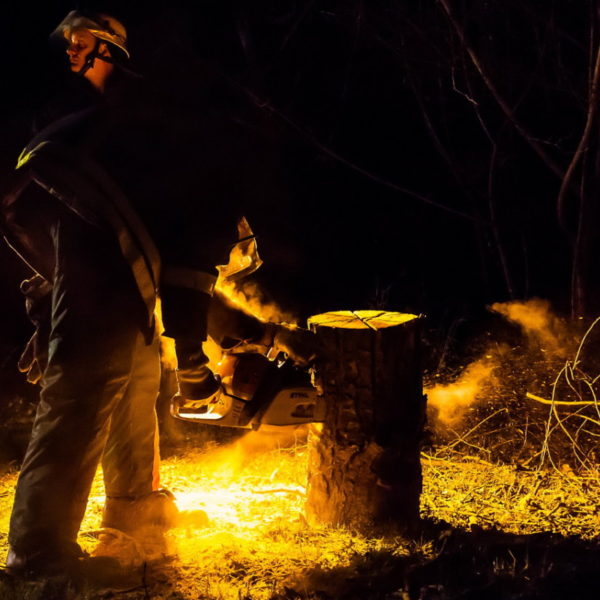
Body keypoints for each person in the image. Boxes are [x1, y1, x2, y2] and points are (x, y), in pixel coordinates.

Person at [2, 10, 316, 577]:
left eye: (81, 42)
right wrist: (197, 361)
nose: (71, 52)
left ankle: (134, 509)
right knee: (83, 386)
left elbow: (176, 281)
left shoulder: (150, 139)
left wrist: (261, 337)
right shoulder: (198, 184)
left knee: (139, 370)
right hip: (82, 232)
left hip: (80, 227)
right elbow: (187, 278)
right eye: (71, 42)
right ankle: (38, 553)